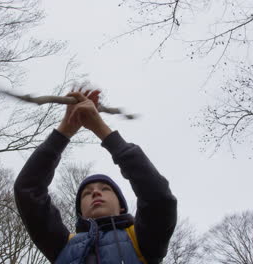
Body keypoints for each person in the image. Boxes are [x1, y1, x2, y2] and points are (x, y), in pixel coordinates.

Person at [14, 89, 177, 263]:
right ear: (80, 212)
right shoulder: (63, 245)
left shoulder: (142, 240)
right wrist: (65, 130)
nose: (95, 193)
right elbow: (28, 191)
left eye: (105, 189)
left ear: (122, 206)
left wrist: (101, 128)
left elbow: (159, 198)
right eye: (86, 193)